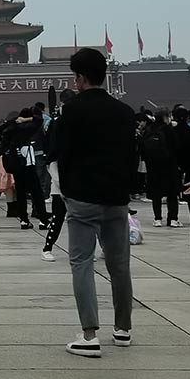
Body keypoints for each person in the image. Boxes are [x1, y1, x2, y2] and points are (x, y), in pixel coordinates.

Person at [57, 48, 136, 357]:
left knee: (81, 262)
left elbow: (63, 153)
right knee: (119, 264)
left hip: (82, 198)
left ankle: (89, 334)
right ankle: (123, 329)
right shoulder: (125, 112)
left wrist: (66, 191)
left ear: (80, 78)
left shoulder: (72, 111)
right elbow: (132, 156)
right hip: (116, 198)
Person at [0, 110, 49, 230]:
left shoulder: (10, 129)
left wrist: (16, 119)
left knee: (20, 192)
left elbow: (2, 128)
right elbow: (39, 120)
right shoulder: (28, 128)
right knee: (36, 192)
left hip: (15, 164)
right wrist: (27, 119)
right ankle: (43, 220)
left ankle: (23, 219)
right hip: (27, 163)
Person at [41, 90, 75, 261]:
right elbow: (52, 157)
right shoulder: (57, 124)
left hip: (76, 181)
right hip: (59, 178)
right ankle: (47, 248)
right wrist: (60, 184)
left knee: (81, 219)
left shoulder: (77, 124)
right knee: (58, 217)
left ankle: (83, 249)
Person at [141, 110, 182, 228]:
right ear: (165, 117)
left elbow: (144, 149)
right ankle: (173, 219)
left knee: (156, 194)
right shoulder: (169, 130)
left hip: (153, 167)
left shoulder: (149, 130)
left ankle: (157, 218)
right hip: (169, 166)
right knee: (172, 193)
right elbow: (176, 147)